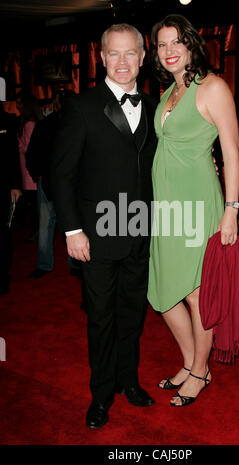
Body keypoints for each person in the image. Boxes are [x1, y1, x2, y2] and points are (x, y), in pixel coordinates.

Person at [50, 24, 158, 429]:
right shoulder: (82, 106)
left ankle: (129, 382)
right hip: (95, 237)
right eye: (115, 53)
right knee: (100, 318)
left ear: (143, 57)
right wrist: (72, 230)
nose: (124, 61)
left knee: (132, 314)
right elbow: (61, 175)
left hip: (141, 232)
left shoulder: (152, 106)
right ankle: (100, 395)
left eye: (131, 53)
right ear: (101, 57)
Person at [147, 14, 239, 407]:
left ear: (190, 44)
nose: (169, 51)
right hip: (165, 208)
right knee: (165, 293)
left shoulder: (213, 87)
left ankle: (199, 371)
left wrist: (232, 210)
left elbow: (233, 154)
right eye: (161, 45)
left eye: (175, 43)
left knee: (198, 295)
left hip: (199, 204)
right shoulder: (170, 92)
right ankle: (190, 362)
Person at [25, 89, 82, 279]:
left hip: (54, 182)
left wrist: (37, 174)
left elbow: (32, 153)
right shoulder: (77, 123)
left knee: (47, 225)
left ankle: (48, 264)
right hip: (63, 183)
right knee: (70, 224)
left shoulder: (49, 124)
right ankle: (73, 263)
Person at [0, 101, 22, 294]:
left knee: (3, 232)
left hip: (3, 186)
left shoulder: (6, 121)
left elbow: (12, 154)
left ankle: (2, 276)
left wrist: (16, 185)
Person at [16, 93, 43, 241]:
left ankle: (36, 231)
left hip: (29, 171)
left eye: (20, 103)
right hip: (27, 170)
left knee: (34, 205)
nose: (17, 106)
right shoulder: (28, 123)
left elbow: (30, 150)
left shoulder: (29, 124)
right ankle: (35, 230)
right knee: (33, 205)